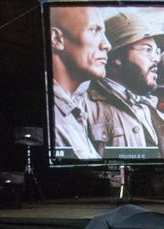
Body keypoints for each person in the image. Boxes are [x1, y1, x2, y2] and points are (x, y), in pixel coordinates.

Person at [88, 12, 164, 157]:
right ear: (117, 57)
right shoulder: (84, 106)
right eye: (147, 50)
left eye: (157, 52)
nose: (156, 59)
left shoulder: (151, 109)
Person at [48, 6, 109, 160]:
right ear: (56, 39)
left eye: (104, 33)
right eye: (94, 30)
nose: (107, 44)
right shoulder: (49, 115)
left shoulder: (76, 109)